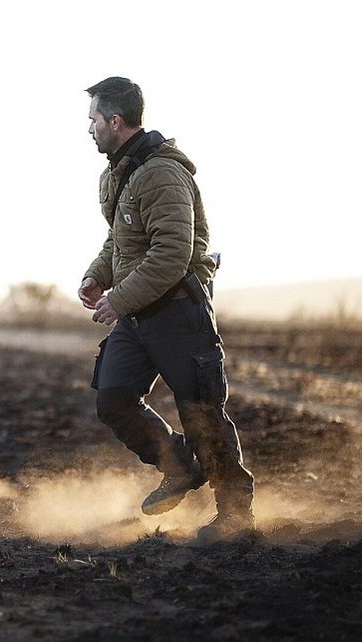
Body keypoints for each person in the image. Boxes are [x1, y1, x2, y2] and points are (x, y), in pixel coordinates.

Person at [78, 76, 254, 542]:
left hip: (178, 313)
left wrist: (119, 298)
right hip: (138, 318)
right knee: (113, 398)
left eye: (93, 119)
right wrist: (98, 274)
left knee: (202, 412)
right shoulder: (121, 172)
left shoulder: (161, 172)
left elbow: (172, 253)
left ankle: (236, 514)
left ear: (115, 121)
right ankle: (178, 467)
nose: (87, 128)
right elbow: (122, 238)